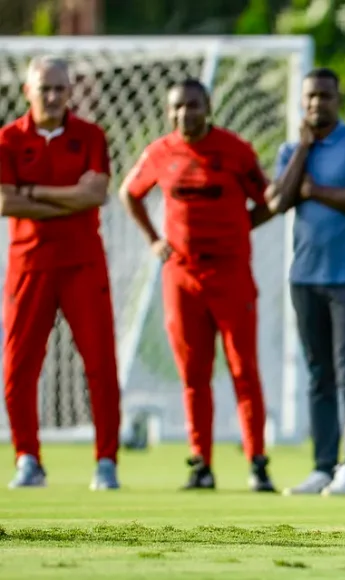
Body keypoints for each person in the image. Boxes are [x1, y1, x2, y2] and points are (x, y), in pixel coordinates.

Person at [119, 78, 276, 492]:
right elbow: (129, 194)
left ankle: (257, 462)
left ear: (208, 108)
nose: (183, 114)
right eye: (176, 107)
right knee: (193, 373)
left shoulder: (236, 150)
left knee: (244, 369)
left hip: (231, 275)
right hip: (182, 277)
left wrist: (239, 230)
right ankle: (200, 464)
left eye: (192, 106)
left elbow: (267, 201)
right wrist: (154, 240)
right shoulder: (159, 152)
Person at [0, 55, 121, 490]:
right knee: (18, 368)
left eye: (60, 88)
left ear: (71, 91)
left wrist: (32, 192)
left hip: (83, 263)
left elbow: (95, 196)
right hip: (29, 264)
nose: (52, 96)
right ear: (26, 91)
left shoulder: (91, 136)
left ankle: (106, 461)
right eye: (44, 88)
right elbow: (5, 203)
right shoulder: (8, 139)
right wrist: (67, 197)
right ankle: (28, 458)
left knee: (101, 364)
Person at [266, 67, 345, 496]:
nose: (318, 104)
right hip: (305, 277)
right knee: (318, 375)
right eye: (311, 97)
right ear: (303, 102)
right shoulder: (290, 151)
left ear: (338, 99)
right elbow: (278, 200)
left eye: (326, 96)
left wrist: (314, 191)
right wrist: (302, 148)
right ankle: (322, 465)